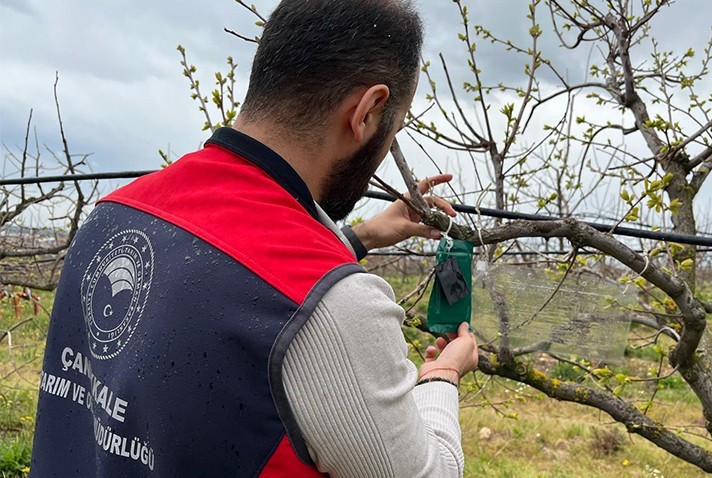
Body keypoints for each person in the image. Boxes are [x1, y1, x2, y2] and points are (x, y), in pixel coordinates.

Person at [30, 0, 478, 476]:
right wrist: (441, 378)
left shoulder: (113, 215)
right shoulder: (343, 306)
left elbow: (219, 277)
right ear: (367, 111)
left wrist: (363, 235)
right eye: (396, 126)